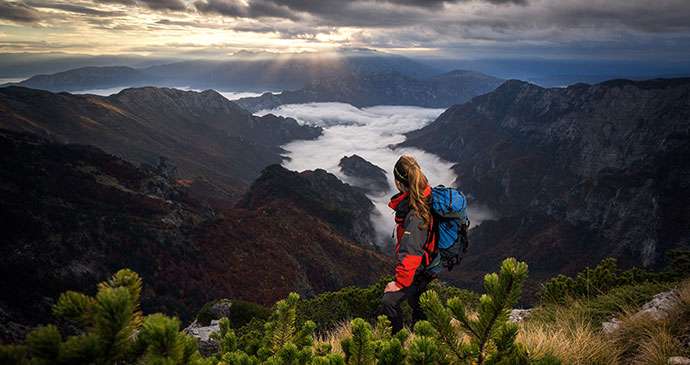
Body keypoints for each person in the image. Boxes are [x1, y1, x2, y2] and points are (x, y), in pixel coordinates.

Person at [382, 155, 441, 334]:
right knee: (418, 302)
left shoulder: (416, 215)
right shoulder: (423, 194)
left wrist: (400, 283)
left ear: (398, 182)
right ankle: (424, 338)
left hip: (420, 267)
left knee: (389, 301)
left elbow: (412, 252)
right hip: (428, 262)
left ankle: (397, 344)